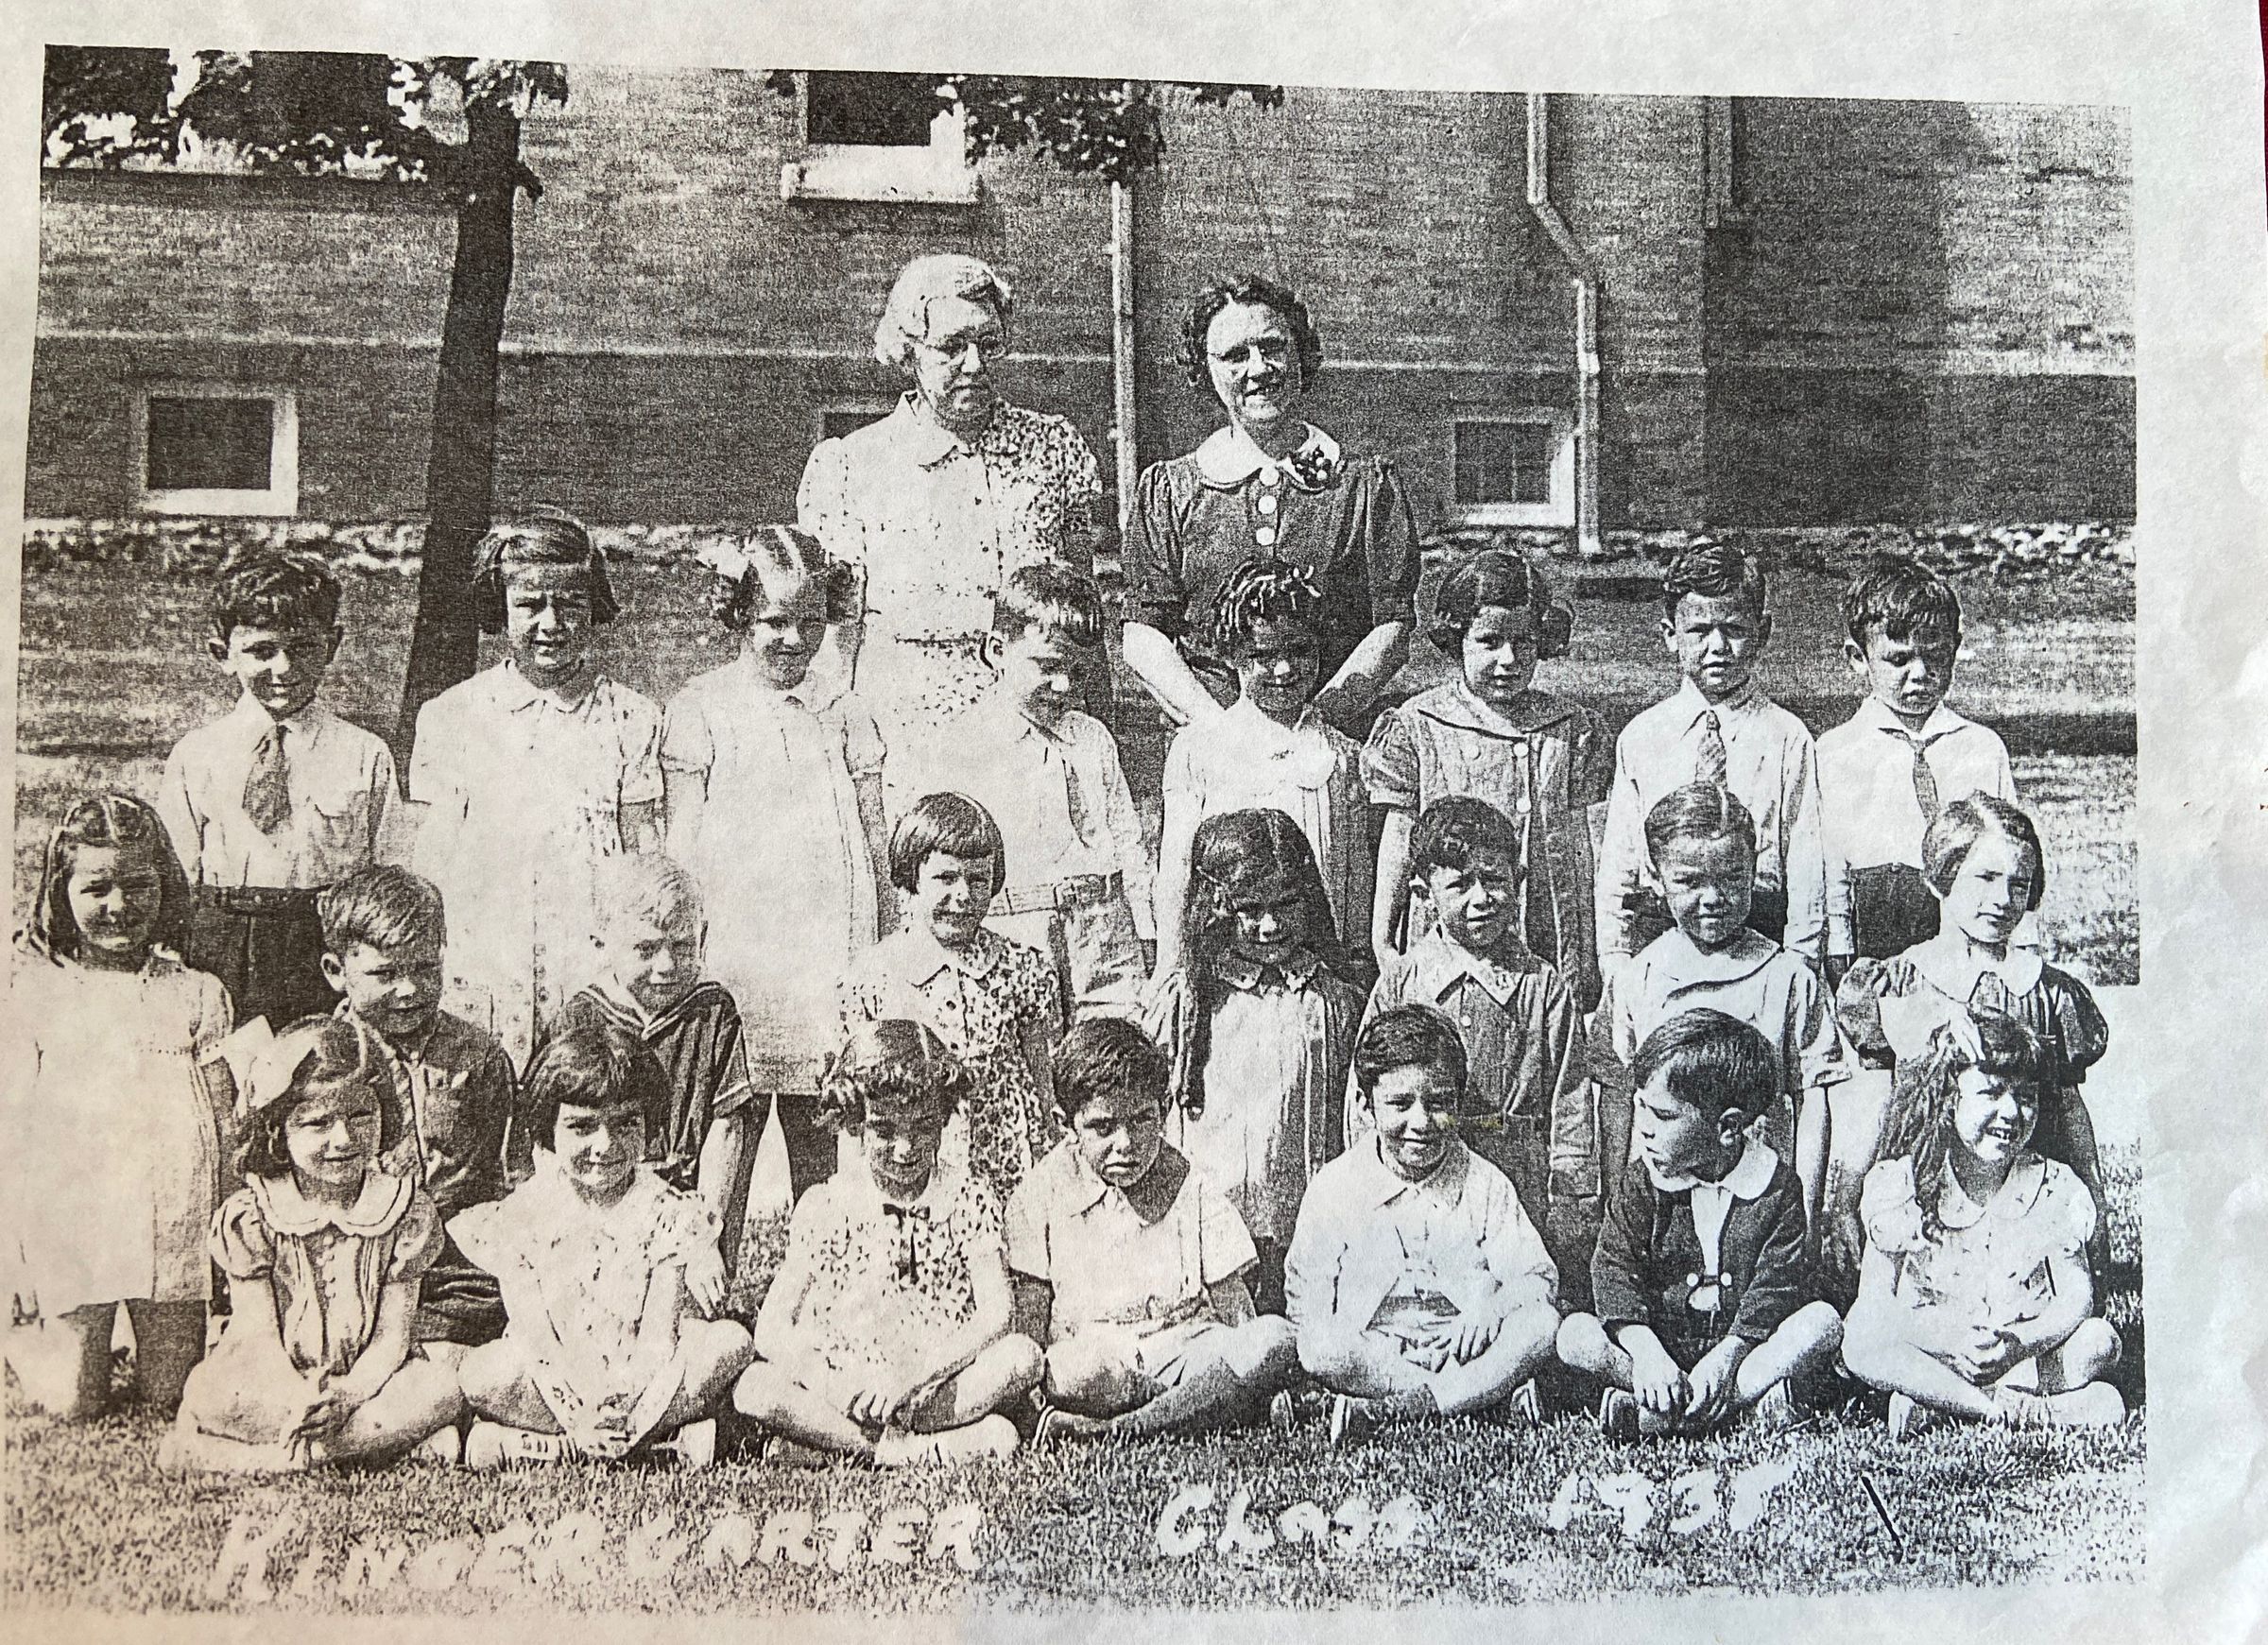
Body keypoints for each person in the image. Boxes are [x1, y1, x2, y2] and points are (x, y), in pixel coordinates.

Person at [796, 253, 1105, 751]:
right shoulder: (852, 467)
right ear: (908, 351)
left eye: (988, 344)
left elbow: (1083, 620)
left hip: (1036, 732)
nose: (975, 365)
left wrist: (1097, 743)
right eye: (951, 347)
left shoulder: (1051, 450)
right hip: (905, 737)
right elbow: (836, 637)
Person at [663, 525, 884, 1201]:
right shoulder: (704, 708)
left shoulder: (842, 710)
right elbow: (682, 843)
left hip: (822, 943)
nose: (794, 639)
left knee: (822, 1112)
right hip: (740, 944)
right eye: (775, 622)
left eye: (810, 623)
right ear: (739, 615)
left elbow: (873, 834)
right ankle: (713, 1254)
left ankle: (821, 1250)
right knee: (730, 1120)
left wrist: (883, 938)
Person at [5, 794, 232, 1420]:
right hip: (76, 1214)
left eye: (137, 885)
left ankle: (151, 1336)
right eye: (96, 888)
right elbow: (13, 1125)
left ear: (165, 885)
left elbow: (223, 1118)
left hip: (173, 1213)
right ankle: (35, 1341)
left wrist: (226, 1224)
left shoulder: (196, 993)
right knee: (73, 1402)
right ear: (62, 891)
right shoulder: (38, 990)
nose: (119, 905)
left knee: (170, 1396)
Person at [409, 510, 663, 1066]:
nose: (552, 623)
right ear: (499, 605)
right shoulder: (453, 717)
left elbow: (643, 858)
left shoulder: (631, 718)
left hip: (589, 961)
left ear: (593, 606)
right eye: (531, 604)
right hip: (485, 960)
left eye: (570, 604)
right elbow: (431, 861)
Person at [162, 1017, 462, 1472]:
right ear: (277, 1130)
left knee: (441, 1390)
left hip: (368, 1381)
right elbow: (256, 1337)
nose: (343, 1139)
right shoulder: (254, 1213)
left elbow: (392, 1337)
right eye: (318, 1123)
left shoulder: (404, 1210)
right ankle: (367, 1447)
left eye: (361, 1116)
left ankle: (268, 1458)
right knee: (209, 1393)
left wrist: (348, 1395)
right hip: (274, 1378)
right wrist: (300, 1398)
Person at [732, 1021, 1040, 1465]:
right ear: (855, 1124)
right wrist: (834, 1385)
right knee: (754, 1388)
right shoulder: (827, 1204)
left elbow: (998, 1312)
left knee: (1022, 1357)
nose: (905, 1147)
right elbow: (773, 1327)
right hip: (851, 1386)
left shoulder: (966, 1197)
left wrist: (915, 1377)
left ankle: (835, 1446)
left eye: (923, 1126)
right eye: (884, 1129)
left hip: (934, 1383)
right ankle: (901, 1450)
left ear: (943, 1118)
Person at [1123, 274, 1420, 731]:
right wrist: (1224, 732)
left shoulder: (1363, 488)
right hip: (1211, 745)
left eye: (1273, 347)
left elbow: (1391, 628)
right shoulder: (1170, 490)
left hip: (1329, 743)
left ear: (1301, 354)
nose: (1259, 369)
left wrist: (1315, 726)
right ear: (1205, 369)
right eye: (1235, 356)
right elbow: (1144, 633)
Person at [451, 1022, 753, 1468]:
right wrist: (578, 1412)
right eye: (582, 1127)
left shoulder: (665, 1211)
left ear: (649, 1123)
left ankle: (563, 1448)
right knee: (482, 1372)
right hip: (558, 1371)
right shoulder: (526, 1213)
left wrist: (627, 1397)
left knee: (729, 1344)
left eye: (626, 1123)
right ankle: (645, 1447)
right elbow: (535, 1335)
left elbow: (658, 1336)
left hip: (642, 1373)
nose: (605, 1145)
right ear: (548, 1130)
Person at [1833, 795, 2108, 1275]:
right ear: (1941, 877)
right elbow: (1874, 1102)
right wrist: (1845, 1196)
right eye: (1985, 878)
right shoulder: (1899, 982)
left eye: (2018, 884)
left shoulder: (2047, 992)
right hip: (1922, 1200)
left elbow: (2067, 1108)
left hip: (2021, 1200)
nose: (2002, 899)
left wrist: (2094, 1194)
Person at [1006, 1019, 1298, 1444]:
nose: (1126, 1143)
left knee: (1274, 1338)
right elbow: (1032, 1317)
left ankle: (1116, 1430)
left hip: (1187, 1345)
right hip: (1100, 1358)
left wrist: (1251, 1359)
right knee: (1071, 1373)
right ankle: (1207, 1406)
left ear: (1163, 1110)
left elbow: (1236, 1309)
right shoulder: (1040, 1194)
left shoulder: (1191, 1182)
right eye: (1103, 1127)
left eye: (1143, 1119)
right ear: (1065, 1124)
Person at [1556, 1010, 1844, 1439]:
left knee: (1822, 1323)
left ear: (1727, 1128)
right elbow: (1613, 1267)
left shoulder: (1776, 1188)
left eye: (1663, 1116)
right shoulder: (1641, 1183)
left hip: (1739, 1354)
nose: (1645, 1129)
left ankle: (1662, 1415)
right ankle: (1712, 1405)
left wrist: (1730, 1354)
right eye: (1641, 1108)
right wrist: (1647, 1353)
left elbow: (1776, 1286)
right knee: (1574, 1335)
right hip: (1660, 1351)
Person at [1284, 1005, 1561, 1443]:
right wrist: (1361, 1344)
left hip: (1465, 1353)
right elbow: (1308, 1303)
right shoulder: (1335, 1188)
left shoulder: (1485, 1184)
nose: (1421, 1123)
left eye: (1438, 1104)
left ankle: (1409, 1406)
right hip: (1377, 1359)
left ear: (1459, 1103)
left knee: (1540, 1324)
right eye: (1400, 1104)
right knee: (1319, 1346)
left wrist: (1492, 1309)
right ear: (1365, 1104)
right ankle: (1474, 1398)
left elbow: (1536, 1278)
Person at [1840, 1010, 2123, 1435]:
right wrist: (1948, 1342)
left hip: (2020, 1351)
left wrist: (2020, 1344)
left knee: (2099, 1342)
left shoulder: (2053, 1186)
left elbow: (2078, 1295)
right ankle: (2003, 1411)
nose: (2011, 1111)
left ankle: (1940, 1402)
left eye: (2025, 1096)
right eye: (1991, 1092)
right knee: (1860, 1338)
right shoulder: (1904, 1185)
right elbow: (1874, 1303)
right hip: (1936, 1349)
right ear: (1948, 1100)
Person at [1591, 784, 1848, 1241]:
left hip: (1760, 1210)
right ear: (1656, 877)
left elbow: (1813, 1101)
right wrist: (1619, 1213)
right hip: (1663, 1208)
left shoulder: (1788, 977)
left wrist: (1804, 1217)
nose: (1712, 897)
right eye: (1690, 881)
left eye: (1731, 877)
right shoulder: (1637, 979)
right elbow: (1617, 1100)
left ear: (1754, 870)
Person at [1359, 798, 1589, 1299]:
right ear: (1423, 894)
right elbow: (1365, 1094)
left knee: (1515, 1301)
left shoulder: (1542, 986)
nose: (1482, 898)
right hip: (1420, 1176)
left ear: (1518, 880)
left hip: (1518, 1182)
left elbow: (1571, 1100)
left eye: (1495, 880)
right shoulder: (1401, 983)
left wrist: (1571, 1197)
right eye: (1461, 884)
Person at [159, 553, 401, 1026]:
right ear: (223, 654)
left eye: (304, 646)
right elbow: (174, 876)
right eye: (262, 650)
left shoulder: (364, 754)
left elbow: (388, 876)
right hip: (219, 943)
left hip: (322, 948)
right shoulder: (198, 754)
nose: (284, 668)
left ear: (332, 645)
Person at [1143, 809, 1367, 1313]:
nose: (1270, 926)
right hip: (1214, 1240)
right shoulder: (1188, 1002)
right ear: (1218, 909)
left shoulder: (1334, 1001)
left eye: (1286, 905)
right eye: (1251, 909)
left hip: (1308, 1233)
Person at [1363, 548, 1609, 1007]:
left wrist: (1592, 951)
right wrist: (1383, 939)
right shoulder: (1422, 724)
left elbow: (1583, 847)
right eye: (1490, 641)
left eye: (1524, 641)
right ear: (1457, 638)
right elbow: (1398, 839)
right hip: (1451, 927)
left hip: (1544, 927)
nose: (1509, 658)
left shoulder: (1569, 729)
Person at [919, 565, 1154, 1020]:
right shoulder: (961, 747)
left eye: (1077, 671)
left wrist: (1145, 929)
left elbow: (1129, 842)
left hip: (1107, 934)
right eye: (1048, 666)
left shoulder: (1092, 739)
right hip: (1020, 933)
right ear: (997, 652)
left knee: (1115, 1047)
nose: (1064, 685)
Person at [318, 865, 520, 1367]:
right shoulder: (316, 1064)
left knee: (452, 1364)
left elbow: (510, 1174)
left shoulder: (479, 1056)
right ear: (336, 971)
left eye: (426, 968)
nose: (409, 990)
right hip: (354, 1269)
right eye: (385, 974)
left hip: (457, 1277)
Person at [1594, 542, 1830, 970]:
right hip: (1660, 934)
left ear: (1762, 632)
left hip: (1760, 933)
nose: (1717, 646)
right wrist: (1616, 963)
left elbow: (1807, 865)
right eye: (1699, 631)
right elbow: (1618, 869)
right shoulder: (1642, 737)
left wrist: (1801, 964)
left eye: (1733, 629)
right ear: (1670, 635)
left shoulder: (1787, 737)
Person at [542, 856, 760, 1301]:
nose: (666, 965)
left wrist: (706, 1239)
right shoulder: (581, 1014)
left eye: (682, 947)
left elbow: (726, 1128)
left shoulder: (712, 1012)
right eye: (646, 949)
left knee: (686, 1311)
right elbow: (548, 1134)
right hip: (599, 1196)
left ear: (702, 937)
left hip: (686, 1204)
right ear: (602, 943)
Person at [839, 794, 1061, 1205]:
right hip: (917, 1164)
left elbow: (1043, 1082)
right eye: (946, 878)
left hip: (1010, 1165)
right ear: (913, 877)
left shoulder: (1023, 969)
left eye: (978, 880)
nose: (963, 896)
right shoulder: (873, 977)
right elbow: (858, 1099)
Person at [1154, 559, 1373, 972]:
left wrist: (1357, 958)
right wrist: (1172, 965)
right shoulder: (1199, 749)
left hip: (1317, 964)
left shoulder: (1339, 753)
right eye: (1263, 656)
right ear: (1232, 656)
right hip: (1227, 963)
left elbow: (1356, 872)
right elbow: (1177, 871)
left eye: (1299, 651)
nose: (1284, 670)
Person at [1818, 555, 2019, 969]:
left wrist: (2023, 947)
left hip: (1967, 939)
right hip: (1875, 936)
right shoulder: (1835, 753)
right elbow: (1830, 864)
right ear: (1858, 657)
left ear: (1954, 649)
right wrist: (1839, 949)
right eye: (1899, 659)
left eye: (1936, 656)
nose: (1920, 673)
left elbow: (2014, 857)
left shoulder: (1982, 748)